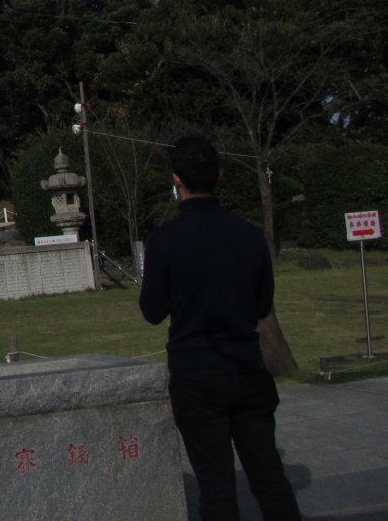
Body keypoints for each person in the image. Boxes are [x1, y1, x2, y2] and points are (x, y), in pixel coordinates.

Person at [139, 135, 301, 521]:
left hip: (195, 372)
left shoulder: (164, 240)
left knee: (216, 485)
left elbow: (152, 311)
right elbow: (262, 305)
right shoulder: (250, 235)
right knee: (268, 475)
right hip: (247, 366)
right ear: (220, 176)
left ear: (176, 180)